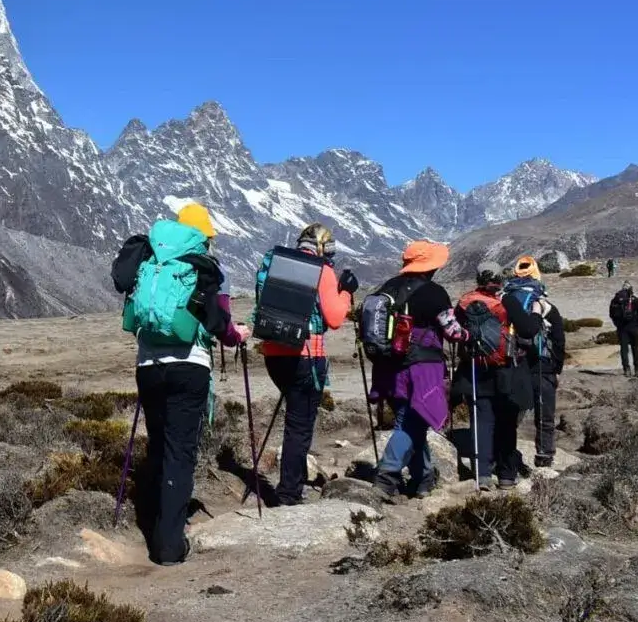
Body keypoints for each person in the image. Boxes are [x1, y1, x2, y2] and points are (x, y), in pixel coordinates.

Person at [112, 202, 249, 566]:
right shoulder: (205, 267)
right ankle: (169, 545)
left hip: (148, 367)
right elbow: (221, 326)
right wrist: (240, 335)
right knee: (179, 453)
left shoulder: (153, 260)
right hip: (190, 368)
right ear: (203, 236)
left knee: (158, 446)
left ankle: (153, 523)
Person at [254, 222, 357, 507]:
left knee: (293, 420)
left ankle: (291, 483)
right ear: (323, 247)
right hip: (306, 355)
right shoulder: (321, 270)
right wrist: (346, 292)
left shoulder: (275, 264)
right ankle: (289, 493)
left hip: (274, 353)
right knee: (299, 426)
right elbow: (335, 318)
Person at [367, 241, 469, 502]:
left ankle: (423, 479)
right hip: (422, 367)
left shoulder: (388, 287)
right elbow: (452, 331)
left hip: (389, 367)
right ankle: (386, 476)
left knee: (413, 421)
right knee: (411, 423)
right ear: (431, 266)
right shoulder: (434, 293)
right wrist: (470, 334)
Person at [453, 269, 543, 491]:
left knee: (482, 422)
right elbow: (529, 329)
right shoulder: (507, 300)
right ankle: (506, 476)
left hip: (475, 370)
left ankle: (482, 474)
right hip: (505, 370)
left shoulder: (465, 302)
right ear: (500, 280)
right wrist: (537, 312)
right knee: (506, 424)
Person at [505, 258, 566, 468]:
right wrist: (557, 368)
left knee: (512, 412)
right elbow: (558, 339)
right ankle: (544, 455)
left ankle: (506, 455)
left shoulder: (507, 300)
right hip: (543, 364)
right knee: (545, 413)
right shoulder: (545, 305)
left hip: (514, 361)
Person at [609, 282, 638, 377]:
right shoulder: (635, 299)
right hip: (634, 327)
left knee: (624, 349)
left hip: (621, 328)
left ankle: (626, 369)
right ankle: (637, 370)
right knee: (635, 349)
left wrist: (617, 325)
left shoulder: (615, 300)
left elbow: (611, 314)